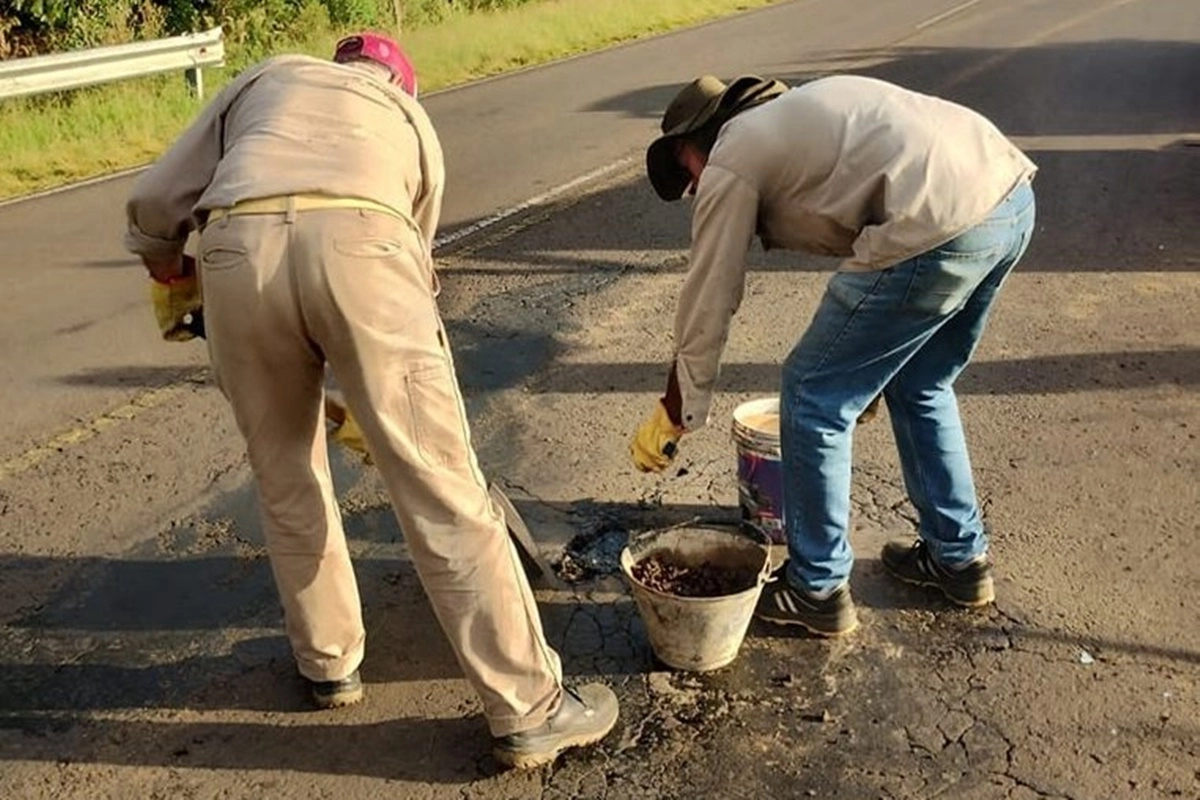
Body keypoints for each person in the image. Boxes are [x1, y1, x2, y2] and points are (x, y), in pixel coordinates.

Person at [124, 32, 617, 768]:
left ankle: (329, 664)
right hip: (366, 243)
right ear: (400, 85)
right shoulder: (409, 120)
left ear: (337, 66)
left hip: (234, 253)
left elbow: (157, 202)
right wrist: (377, 389)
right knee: (438, 483)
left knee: (285, 471)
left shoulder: (265, 78)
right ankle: (530, 706)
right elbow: (413, 265)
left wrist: (173, 277)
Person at [631, 74, 1036, 637]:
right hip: (1007, 196)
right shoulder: (799, 118)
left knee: (811, 393)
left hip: (936, 221)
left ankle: (815, 588)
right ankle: (959, 559)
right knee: (920, 384)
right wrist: (866, 371)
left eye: (688, 175)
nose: (696, 191)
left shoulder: (734, 153)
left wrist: (678, 407)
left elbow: (709, 295)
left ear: (691, 145)